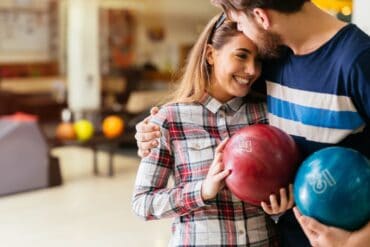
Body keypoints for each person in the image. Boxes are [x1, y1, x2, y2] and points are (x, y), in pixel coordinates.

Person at [134, 0, 370, 246]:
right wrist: (151, 131)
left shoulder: (358, 61)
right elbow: (213, 94)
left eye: (239, 22)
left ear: (261, 17)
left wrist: (356, 241)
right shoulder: (271, 60)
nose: (251, 70)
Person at [132, 14, 294, 246]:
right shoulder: (169, 119)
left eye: (258, 60)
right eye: (241, 55)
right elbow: (142, 204)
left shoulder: (268, 114)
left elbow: (287, 182)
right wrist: (202, 191)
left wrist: (282, 205)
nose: (251, 70)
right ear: (210, 54)